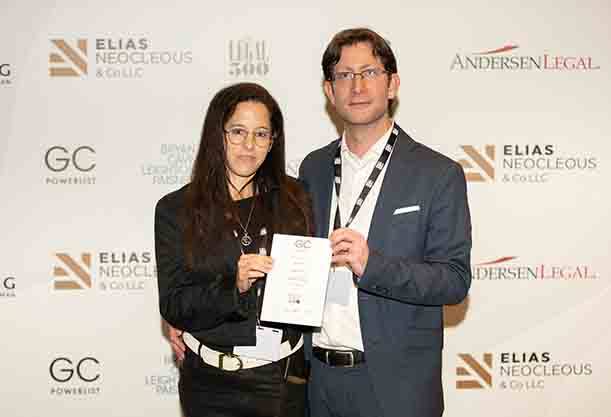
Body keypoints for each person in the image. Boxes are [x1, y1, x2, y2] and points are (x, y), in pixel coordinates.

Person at [297, 28, 472, 417]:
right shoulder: (313, 168)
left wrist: (371, 264)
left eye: (369, 72)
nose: (357, 86)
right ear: (329, 91)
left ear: (392, 84)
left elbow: (454, 280)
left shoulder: (437, 174)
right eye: (344, 75)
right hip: (318, 381)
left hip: (396, 387)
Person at [155, 82, 312, 417]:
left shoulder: (296, 200)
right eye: (238, 131)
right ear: (218, 135)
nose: (249, 145)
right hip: (207, 383)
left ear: (273, 141)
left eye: (261, 134)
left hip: (280, 381)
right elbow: (174, 305)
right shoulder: (175, 209)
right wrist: (234, 287)